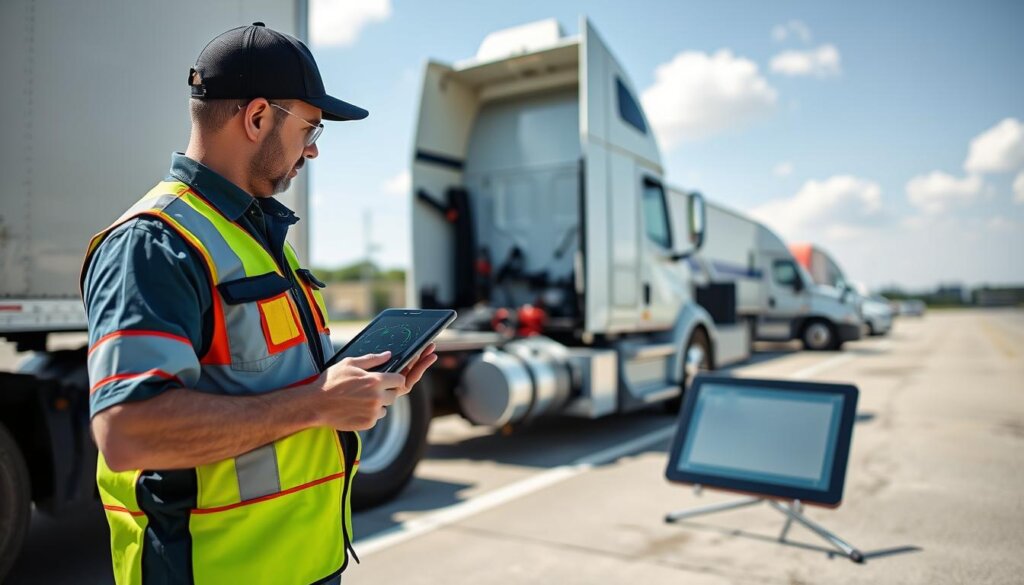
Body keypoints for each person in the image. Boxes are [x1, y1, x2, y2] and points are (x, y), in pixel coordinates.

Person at [80, 22, 435, 585]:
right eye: (312, 128)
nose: (313, 149)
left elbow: (277, 381)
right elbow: (129, 433)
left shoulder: (260, 241)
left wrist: (358, 389)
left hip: (304, 567)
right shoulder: (154, 244)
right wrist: (317, 403)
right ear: (258, 117)